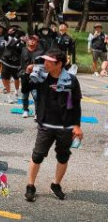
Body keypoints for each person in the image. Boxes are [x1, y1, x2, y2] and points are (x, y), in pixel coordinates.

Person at [24, 49, 83, 202]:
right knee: (37, 156)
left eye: (49, 61)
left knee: (63, 157)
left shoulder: (71, 80)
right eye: (44, 60)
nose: (45, 63)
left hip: (65, 127)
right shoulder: (41, 77)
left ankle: (55, 184)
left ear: (59, 64)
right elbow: (25, 89)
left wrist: (77, 125)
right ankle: (30, 186)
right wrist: (27, 73)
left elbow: (75, 104)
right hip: (45, 124)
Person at [19, 35, 44, 118]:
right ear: (27, 41)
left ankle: (37, 113)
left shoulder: (41, 52)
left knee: (36, 95)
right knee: (24, 94)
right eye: (30, 40)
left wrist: (33, 66)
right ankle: (25, 110)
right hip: (24, 75)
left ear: (37, 42)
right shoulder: (23, 50)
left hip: (36, 76)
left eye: (34, 40)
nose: (32, 41)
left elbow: (44, 64)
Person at [0, 25, 25, 104]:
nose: (17, 34)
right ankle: (8, 95)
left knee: (16, 78)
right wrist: (7, 33)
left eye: (19, 33)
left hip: (16, 64)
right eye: (16, 32)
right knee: (5, 78)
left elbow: (22, 51)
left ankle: (17, 91)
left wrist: (23, 41)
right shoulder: (10, 39)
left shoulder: (22, 42)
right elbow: (6, 39)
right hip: (6, 62)